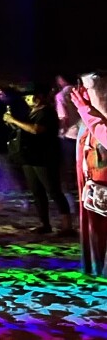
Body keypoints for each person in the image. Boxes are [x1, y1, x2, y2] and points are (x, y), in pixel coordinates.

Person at [5, 86, 76, 235]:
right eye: (27, 97)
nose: (29, 100)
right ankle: (45, 224)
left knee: (54, 190)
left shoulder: (47, 112)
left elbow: (36, 129)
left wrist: (14, 121)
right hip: (29, 156)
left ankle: (67, 226)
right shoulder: (31, 112)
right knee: (37, 191)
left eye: (31, 97)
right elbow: (27, 129)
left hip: (44, 157)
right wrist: (12, 123)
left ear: (40, 97)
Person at [69, 72, 107, 275]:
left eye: (91, 89)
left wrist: (86, 111)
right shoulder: (89, 118)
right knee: (94, 226)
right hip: (93, 184)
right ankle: (96, 264)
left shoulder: (92, 116)